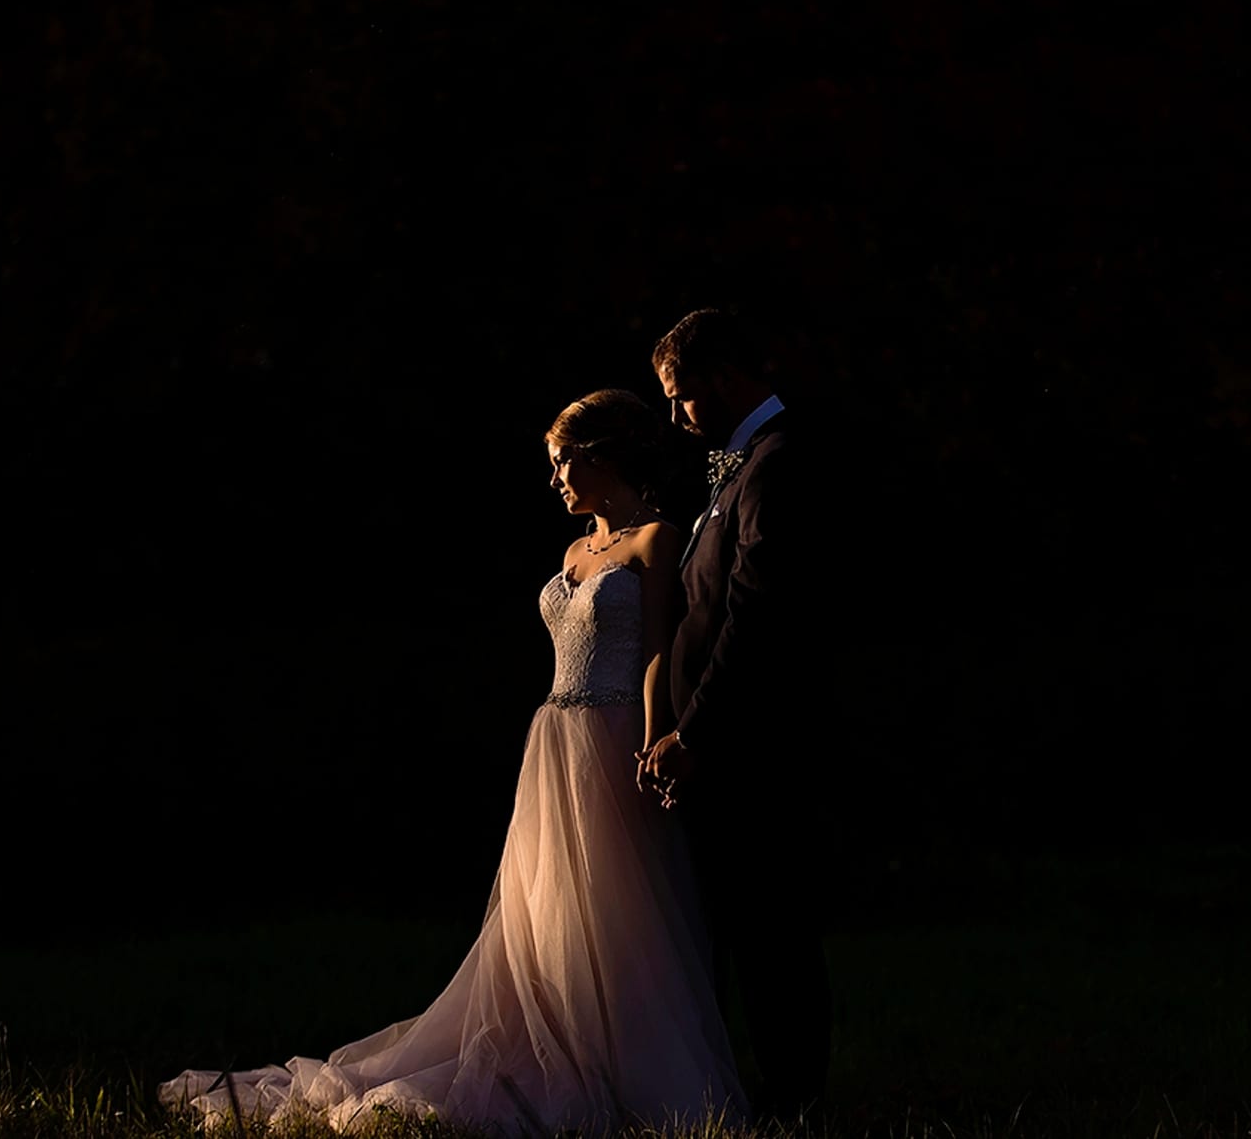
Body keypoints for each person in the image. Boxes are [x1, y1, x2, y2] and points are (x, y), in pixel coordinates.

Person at [158, 390, 744, 1135]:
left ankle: (621, 1056)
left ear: (602, 458)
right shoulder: (572, 552)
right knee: (546, 914)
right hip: (553, 745)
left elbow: (661, 648)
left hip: (613, 736)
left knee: (619, 906)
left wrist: (659, 736)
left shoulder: (656, 540)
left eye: (564, 462)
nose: (557, 479)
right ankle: (555, 1037)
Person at [637, 308, 834, 1123]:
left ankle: (793, 1098)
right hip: (720, 749)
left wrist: (696, 729)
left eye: (683, 397)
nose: (679, 416)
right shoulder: (734, 462)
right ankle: (738, 1089)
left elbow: (757, 609)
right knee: (729, 925)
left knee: (769, 930)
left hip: (751, 746)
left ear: (724, 376)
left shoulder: (780, 462)